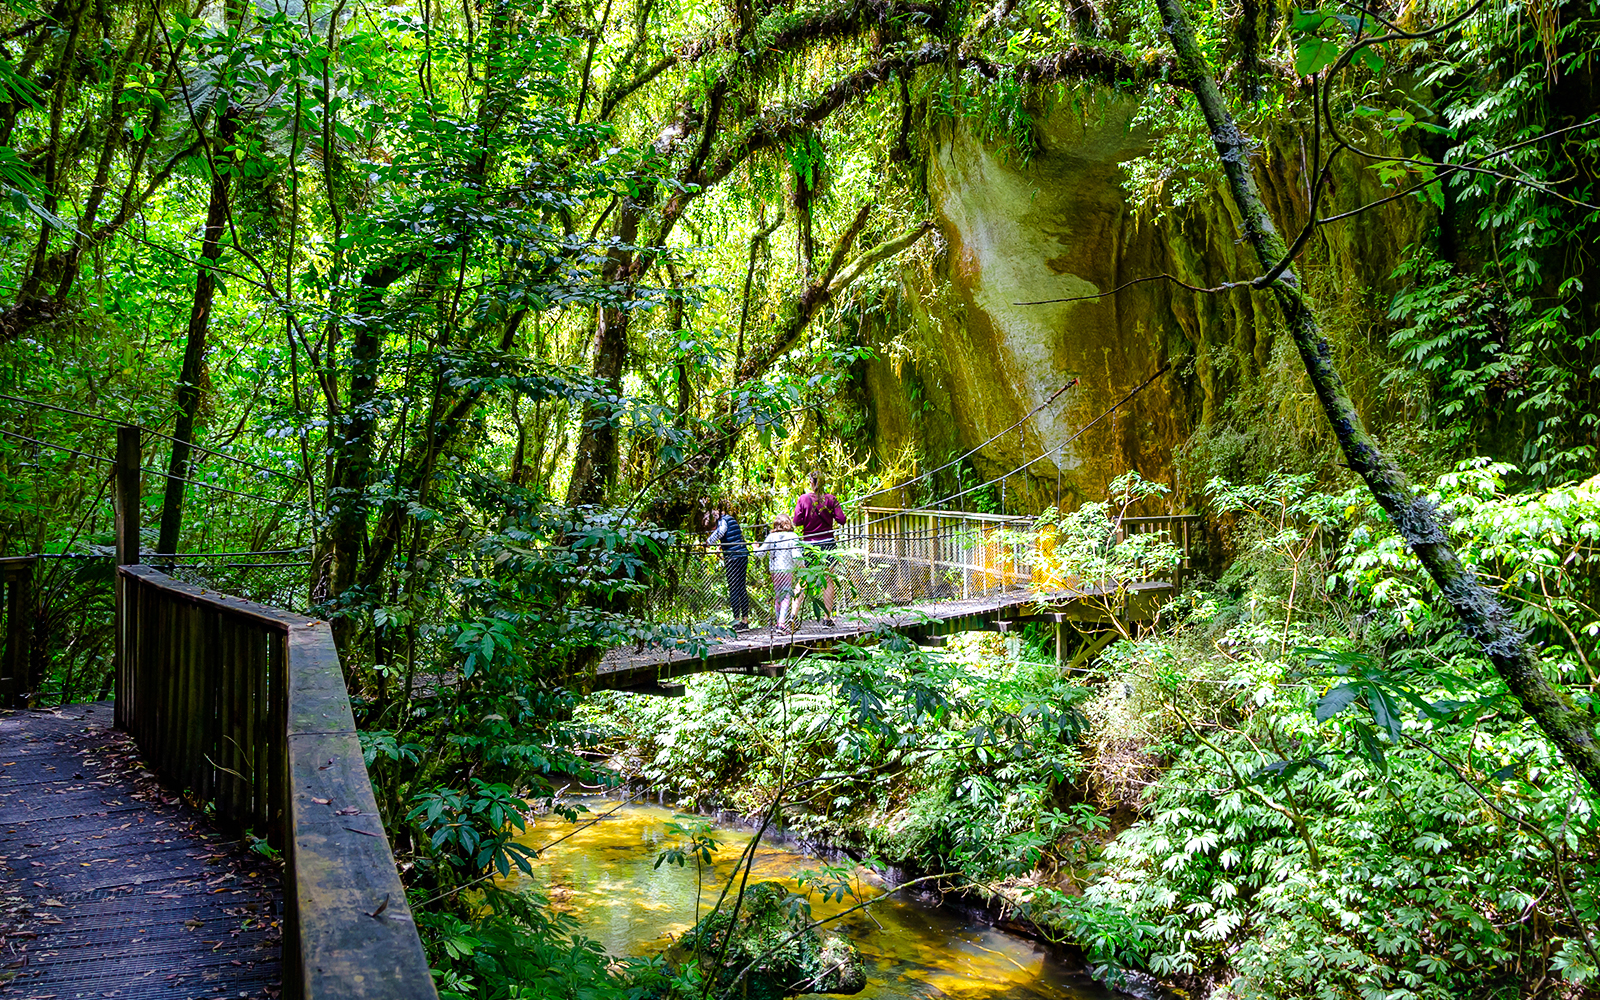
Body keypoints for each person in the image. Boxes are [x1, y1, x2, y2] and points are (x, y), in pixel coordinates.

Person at [792, 470, 846, 626]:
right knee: (828, 580)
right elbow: (842, 520)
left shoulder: (803, 499)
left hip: (809, 545)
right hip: (827, 544)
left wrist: (808, 517)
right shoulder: (831, 500)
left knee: (804, 579)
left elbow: (796, 521)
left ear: (811, 482)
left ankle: (793, 617)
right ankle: (827, 618)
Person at [753, 515, 802, 634]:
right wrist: (801, 565)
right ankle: (781, 624)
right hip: (786, 570)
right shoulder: (793, 536)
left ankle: (778, 622)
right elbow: (796, 555)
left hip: (774, 571)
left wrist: (755, 548)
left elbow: (760, 554)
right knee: (786, 596)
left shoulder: (771, 536)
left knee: (778, 595)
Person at [706, 501, 750, 631]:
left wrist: (708, 542)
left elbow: (721, 532)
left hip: (733, 557)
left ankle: (736, 621)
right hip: (742, 555)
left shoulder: (722, 521)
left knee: (733, 588)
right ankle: (744, 621)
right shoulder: (731, 519)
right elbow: (732, 536)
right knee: (742, 587)